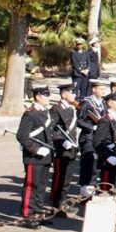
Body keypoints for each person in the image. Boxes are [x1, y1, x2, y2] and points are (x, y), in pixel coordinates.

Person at [16, 86, 54, 229]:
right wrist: (36, 149)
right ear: (38, 97)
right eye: (46, 95)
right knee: (31, 186)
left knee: (41, 186)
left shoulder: (45, 112)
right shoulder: (30, 114)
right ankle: (28, 215)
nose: (49, 98)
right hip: (34, 157)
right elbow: (22, 136)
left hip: (46, 155)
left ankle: (37, 212)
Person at [49, 82, 79, 215]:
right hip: (62, 148)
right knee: (59, 178)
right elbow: (51, 129)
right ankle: (57, 203)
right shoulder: (56, 109)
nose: (74, 95)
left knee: (67, 178)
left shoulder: (71, 108)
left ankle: (63, 201)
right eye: (71, 92)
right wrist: (61, 141)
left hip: (71, 147)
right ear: (64, 94)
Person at [93, 91, 116, 189]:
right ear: (110, 103)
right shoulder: (105, 120)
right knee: (106, 189)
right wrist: (107, 156)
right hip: (109, 159)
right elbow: (97, 142)